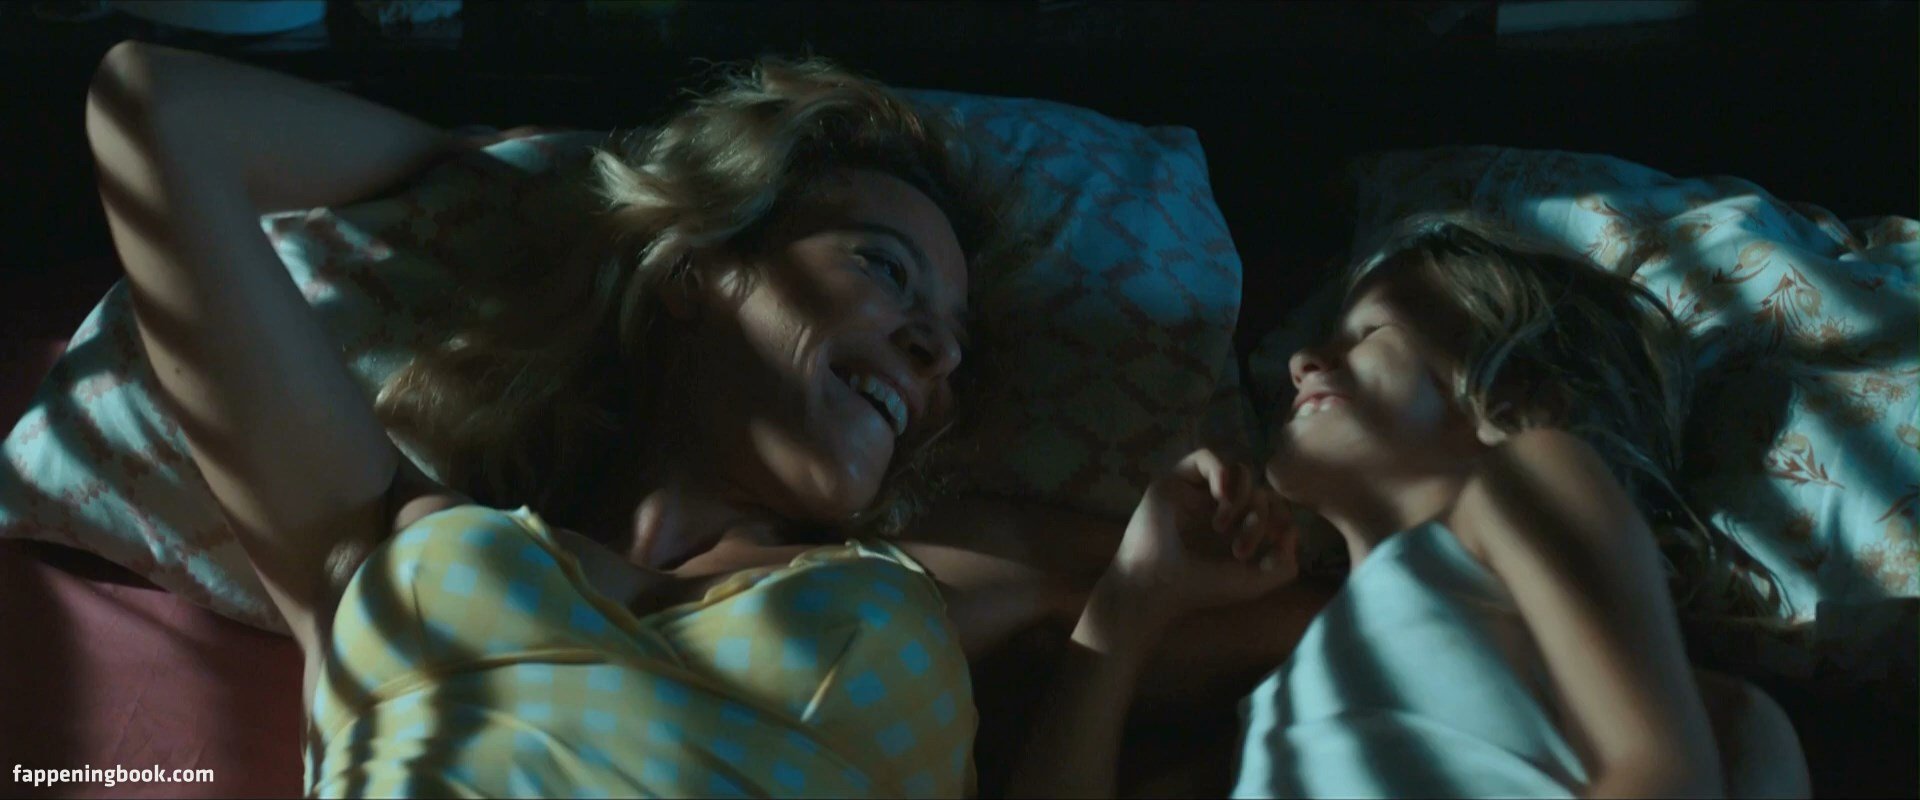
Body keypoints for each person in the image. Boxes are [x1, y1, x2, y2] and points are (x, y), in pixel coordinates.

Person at [84, 38, 1144, 797]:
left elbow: (1240, 608)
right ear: (694, 268)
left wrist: (1148, 604)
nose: (937, 351)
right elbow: (157, 110)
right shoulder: (379, 533)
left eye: (956, 342)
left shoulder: (936, 582)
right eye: (886, 268)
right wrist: (507, 172)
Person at [1011, 213, 1812, 798]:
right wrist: (1130, 601)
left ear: (1513, 392)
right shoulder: (1278, 707)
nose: (1301, 360)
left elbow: (1660, 772)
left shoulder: (1528, 479)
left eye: (1365, 334)